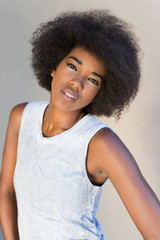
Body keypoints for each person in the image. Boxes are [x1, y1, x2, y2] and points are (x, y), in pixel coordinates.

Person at [0, 9, 160, 240]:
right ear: (54, 67)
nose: (77, 82)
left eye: (93, 79)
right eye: (73, 66)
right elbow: (6, 191)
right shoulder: (21, 117)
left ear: (98, 94)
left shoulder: (100, 143)